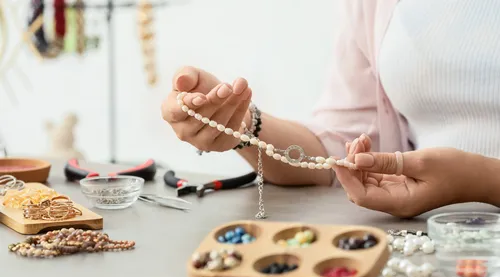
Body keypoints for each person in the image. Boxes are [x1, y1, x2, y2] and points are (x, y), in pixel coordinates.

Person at [161, 0, 500, 218]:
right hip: (429, 247)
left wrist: (482, 181)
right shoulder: (375, 6)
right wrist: (241, 125)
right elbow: (341, 148)